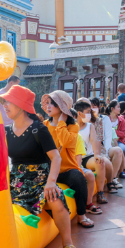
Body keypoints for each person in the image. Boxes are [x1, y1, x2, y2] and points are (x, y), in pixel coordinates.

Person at [0, 85, 82, 248]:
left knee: (56, 199)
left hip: (41, 178)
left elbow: (56, 157)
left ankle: (68, 245)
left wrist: (51, 182)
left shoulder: (38, 129)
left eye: (9, 102)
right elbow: (1, 160)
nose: (5, 105)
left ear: (21, 105)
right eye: (4, 102)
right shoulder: (6, 131)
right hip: (17, 180)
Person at [41, 90, 95, 229]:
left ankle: (81, 215)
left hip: (67, 170)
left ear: (62, 108)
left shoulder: (73, 126)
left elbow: (65, 142)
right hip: (48, 170)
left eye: (53, 104)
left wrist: (61, 122)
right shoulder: (44, 125)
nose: (48, 106)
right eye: (48, 103)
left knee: (78, 177)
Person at [74, 100, 109, 207]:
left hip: (87, 157)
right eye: (88, 112)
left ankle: (100, 193)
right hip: (74, 158)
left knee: (100, 162)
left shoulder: (90, 126)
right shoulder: (71, 126)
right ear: (79, 113)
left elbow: (94, 141)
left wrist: (97, 154)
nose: (90, 114)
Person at [89, 96, 125, 191]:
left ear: (99, 107)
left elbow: (107, 137)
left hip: (103, 148)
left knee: (118, 150)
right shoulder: (85, 120)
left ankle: (112, 178)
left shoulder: (103, 119)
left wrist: (105, 152)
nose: (92, 109)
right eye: (90, 106)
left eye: (94, 106)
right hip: (89, 150)